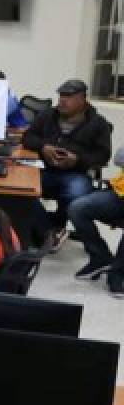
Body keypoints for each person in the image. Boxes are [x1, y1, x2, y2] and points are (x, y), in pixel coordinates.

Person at [22, 79, 114, 250]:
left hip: (76, 173)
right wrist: (44, 147)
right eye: (61, 96)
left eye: (68, 97)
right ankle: (49, 230)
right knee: (20, 190)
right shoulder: (47, 115)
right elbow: (28, 137)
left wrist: (77, 160)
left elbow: (102, 156)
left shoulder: (98, 124)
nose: (62, 100)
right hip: (46, 170)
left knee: (76, 193)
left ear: (82, 99)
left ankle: (56, 225)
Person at [68, 146, 124, 297]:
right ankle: (101, 257)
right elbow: (119, 158)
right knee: (77, 208)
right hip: (120, 194)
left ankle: (118, 272)